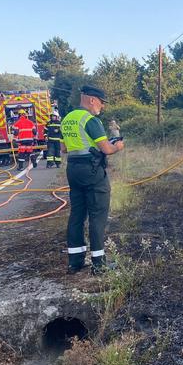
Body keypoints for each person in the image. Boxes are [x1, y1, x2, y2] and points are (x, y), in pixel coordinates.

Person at [61, 85, 124, 275]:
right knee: (98, 215)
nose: (102, 107)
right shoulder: (90, 120)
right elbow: (106, 149)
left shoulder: (67, 119)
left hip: (73, 170)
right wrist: (118, 146)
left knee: (77, 215)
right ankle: (99, 263)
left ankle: (75, 261)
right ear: (91, 100)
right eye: (101, 102)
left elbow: (64, 149)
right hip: (92, 171)